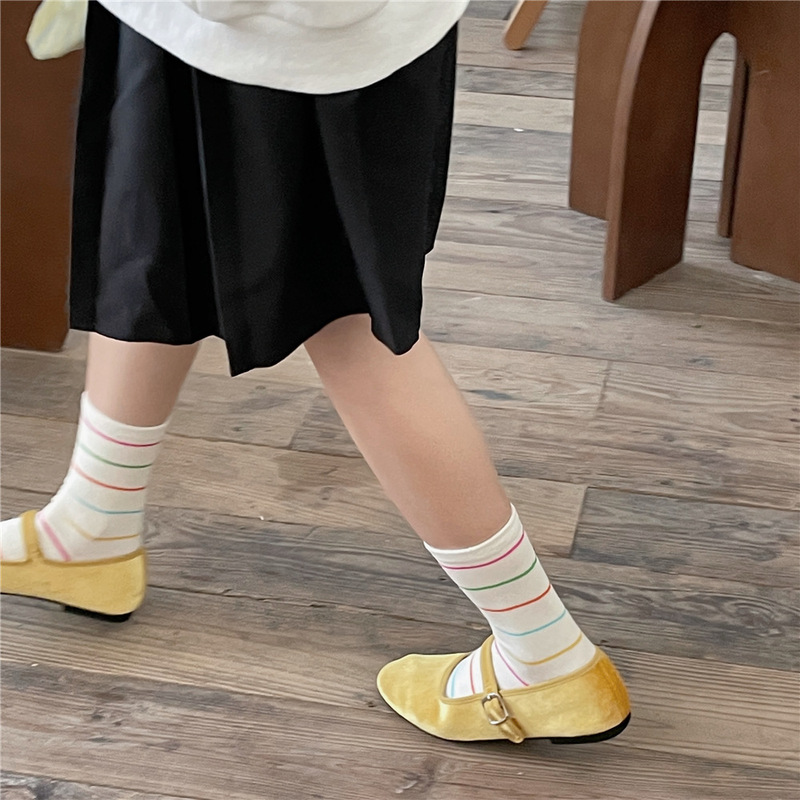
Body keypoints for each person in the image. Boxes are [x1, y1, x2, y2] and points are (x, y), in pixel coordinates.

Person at [1, 0, 630, 745]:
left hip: (268, 33)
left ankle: (544, 653)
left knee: (345, 318)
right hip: (326, 27)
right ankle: (90, 525)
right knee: (153, 245)